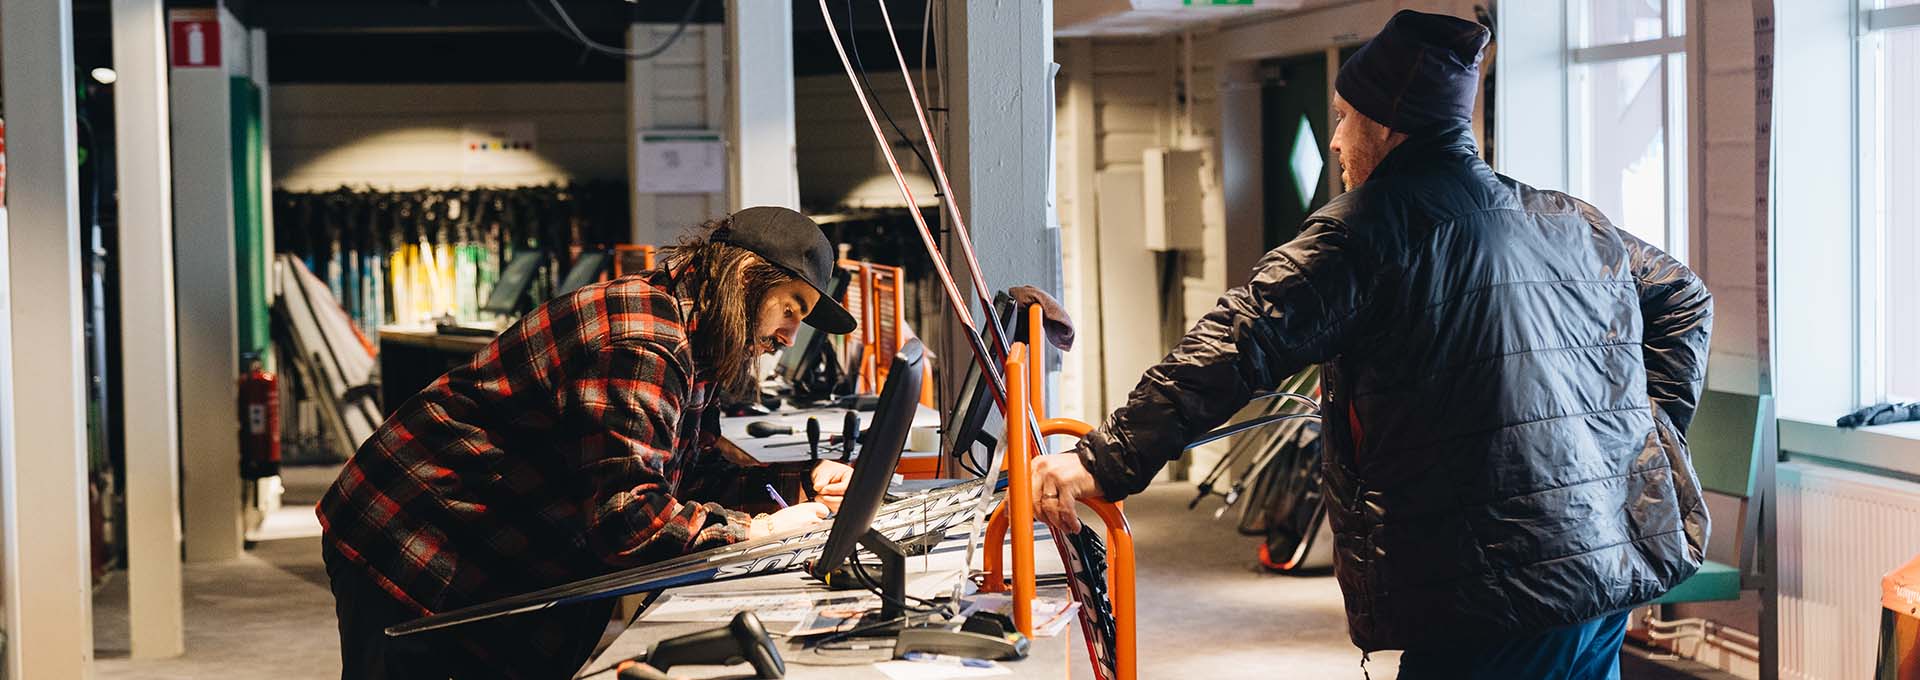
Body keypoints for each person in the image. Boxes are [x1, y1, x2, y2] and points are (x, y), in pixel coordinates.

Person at [1029, 10, 1713, 679]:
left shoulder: (1368, 232)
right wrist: (1638, 446)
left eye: (1342, 118)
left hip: (1499, 589)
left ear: (1386, 125)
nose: (1334, 140)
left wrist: (1105, 460)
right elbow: (1682, 296)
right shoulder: (1566, 221)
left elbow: (1241, 337)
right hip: (1602, 569)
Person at [320, 206, 861, 679]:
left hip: (482, 539)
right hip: (410, 536)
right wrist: (759, 528)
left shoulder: (697, 338)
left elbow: (686, 472)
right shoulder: (643, 341)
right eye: (790, 307)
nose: (790, 336)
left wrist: (804, 486)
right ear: (746, 279)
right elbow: (628, 523)